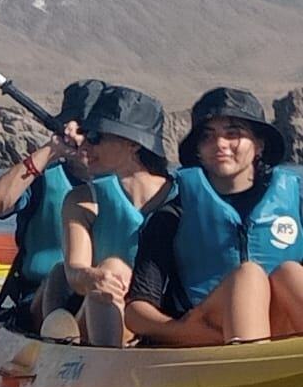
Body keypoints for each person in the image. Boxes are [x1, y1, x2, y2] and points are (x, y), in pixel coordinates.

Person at [125, 88, 303, 346]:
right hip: (207, 336)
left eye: (233, 133)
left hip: (281, 334)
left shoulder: (296, 204)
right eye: (208, 136)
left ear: (259, 145)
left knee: (290, 273)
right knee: (248, 276)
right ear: (197, 150)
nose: (220, 144)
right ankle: (249, 369)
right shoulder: (174, 213)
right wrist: (182, 330)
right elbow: (136, 312)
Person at [0, 80, 104, 322]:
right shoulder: (42, 177)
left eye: (93, 131)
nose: (85, 139)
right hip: (38, 296)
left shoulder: (125, 180)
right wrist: (51, 150)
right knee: (60, 278)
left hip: (105, 292)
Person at [60, 86, 173, 345]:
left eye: (95, 136)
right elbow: (74, 273)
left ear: (133, 143)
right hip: (105, 314)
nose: (84, 145)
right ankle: (107, 362)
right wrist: (92, 277)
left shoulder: (185, 196)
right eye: (84, 135)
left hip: (163, 317)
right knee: (111, 269)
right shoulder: (82, 200)